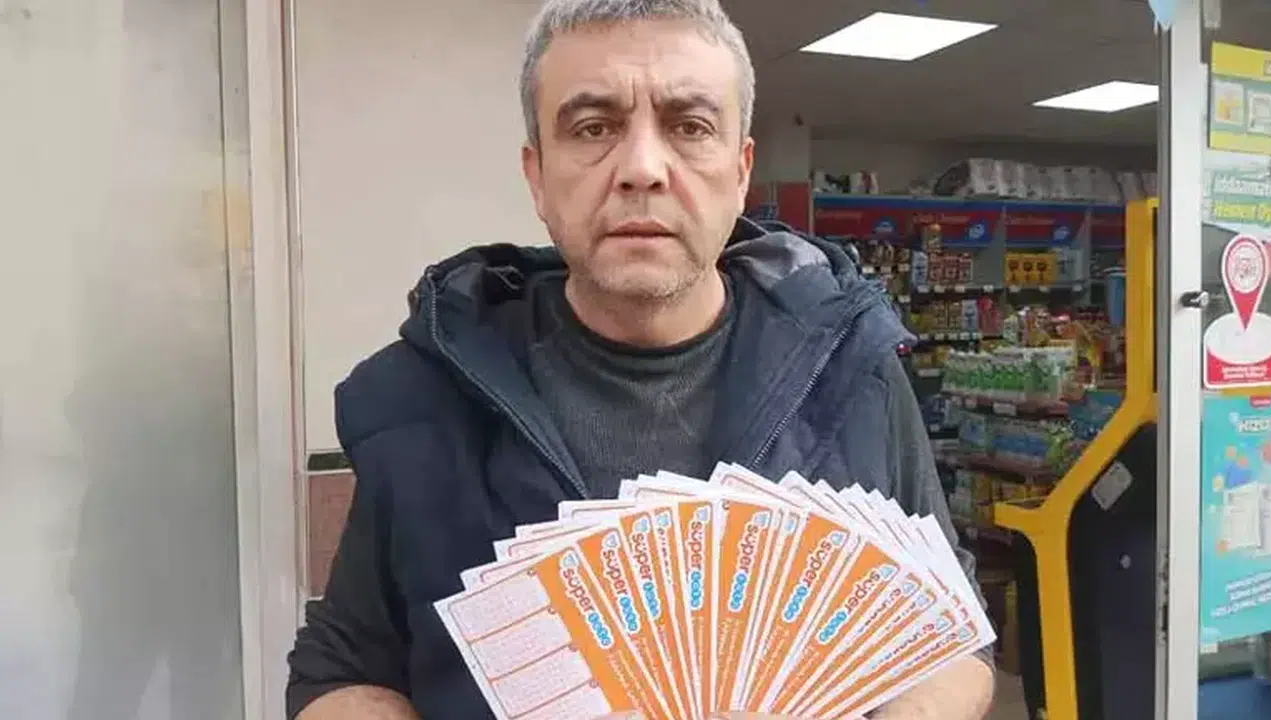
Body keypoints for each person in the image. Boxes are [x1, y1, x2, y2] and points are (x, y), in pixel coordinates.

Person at [285, 0, 995, 718]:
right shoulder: (424, 395)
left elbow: (950, 635)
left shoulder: (854, 372)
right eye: (593, 128)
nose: (643, 169)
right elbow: (341, 668)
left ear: (741, 171)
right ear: (537, 176)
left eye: (690, 127)